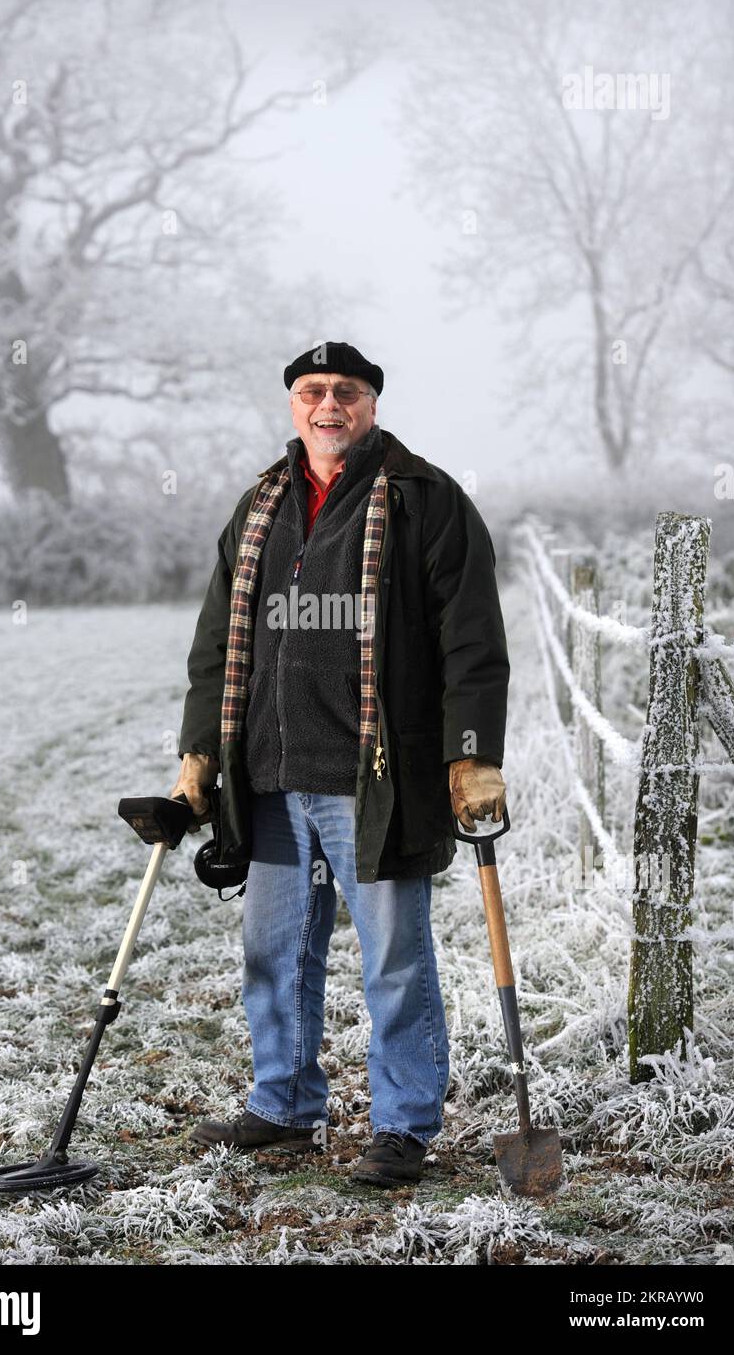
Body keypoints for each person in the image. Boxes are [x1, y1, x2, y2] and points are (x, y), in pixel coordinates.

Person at [172, 341, 509, 1186]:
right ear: (294, 404)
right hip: (270, 776)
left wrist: (471, 759)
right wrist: (198, 750)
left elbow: (471, 644)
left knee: (395, 957)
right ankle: (282, 1106)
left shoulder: (425, 501)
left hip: (377, 782)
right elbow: (216, 644)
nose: (329, 406)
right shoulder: (260, 504)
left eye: (347, 392)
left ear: (371, 404)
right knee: (274, 953)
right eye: (313, 391)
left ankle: (403, 1124)